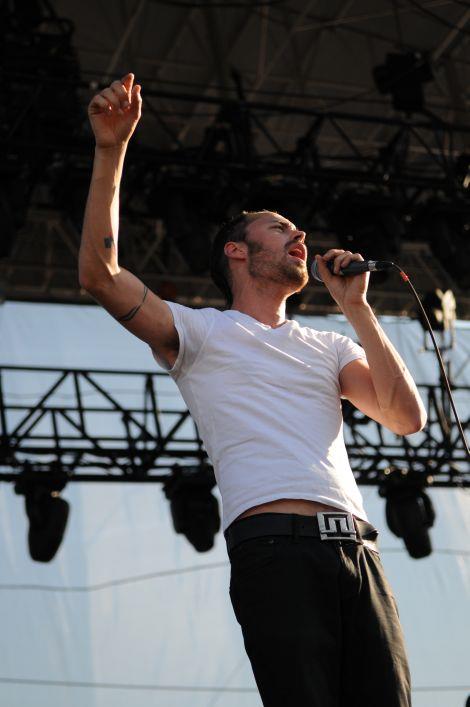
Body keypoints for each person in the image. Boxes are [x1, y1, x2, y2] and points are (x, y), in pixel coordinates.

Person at [80, 73, 427, 707]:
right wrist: (112, 148)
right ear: (237, 251)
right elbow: (101, 275)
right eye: (280, 227)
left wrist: (356, 307)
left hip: (360, 551)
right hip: (275, 549)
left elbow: (407, 418)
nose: (301, 237)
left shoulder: (330, 346)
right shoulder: (201, 331)